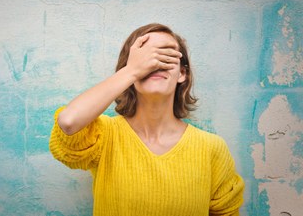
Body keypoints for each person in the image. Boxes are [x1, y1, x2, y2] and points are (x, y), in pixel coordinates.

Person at [49, 23, 244, 215]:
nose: (155, 63)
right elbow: (69, 122)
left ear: (182, 73)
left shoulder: (211, 148)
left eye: (166, 55)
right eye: (145, 56)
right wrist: (132, 71)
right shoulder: (105, 135)